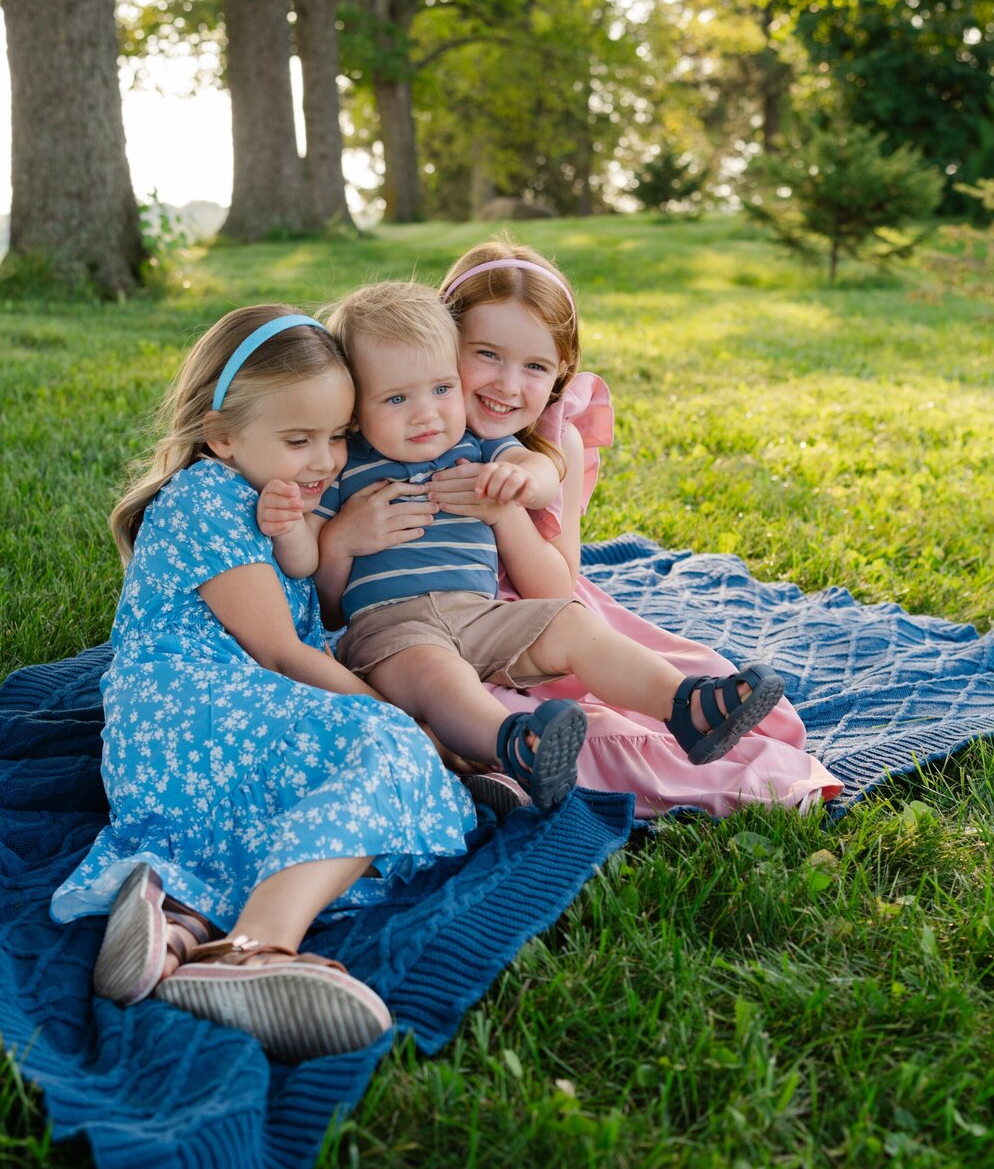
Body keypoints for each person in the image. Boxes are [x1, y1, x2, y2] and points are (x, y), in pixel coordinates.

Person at [50, 306, 478, 1063]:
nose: (325, 460)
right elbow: (282, 654)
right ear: (220, 436)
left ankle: (178, 922)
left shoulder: (275, 496)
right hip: (191, 720)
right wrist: (404, 722)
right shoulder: (205, 500)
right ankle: (256, 949)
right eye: (299, 439)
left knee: (396, 767)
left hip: (225, 728)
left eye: (338, 435)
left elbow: (316, 607)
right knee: (390, 746)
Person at [304, 281, 787, 814]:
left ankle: (687, 707)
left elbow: (539, 467)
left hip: (481, 615)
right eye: (396, 398)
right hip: (393, 630)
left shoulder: (474, 442)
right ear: (353, 405)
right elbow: (322, 603)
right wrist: (342, 538)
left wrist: (516, 486)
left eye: (441, 389)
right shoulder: (343, 467)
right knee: (440, 678)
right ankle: (517, 749)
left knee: (572, 622)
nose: (425, 414)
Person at [437, 239, 843, 818]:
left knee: (707, 688)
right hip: (439, 638)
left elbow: (555, 588)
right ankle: (505, 769)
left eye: (534, 366)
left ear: (561, 372)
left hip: (550, 628)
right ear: (442, 342)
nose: (507, 384)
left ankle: (508, 767)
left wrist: (503, 513)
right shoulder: (409, 424)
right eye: (486, 354)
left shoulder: (556, 441)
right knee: (547, 726)